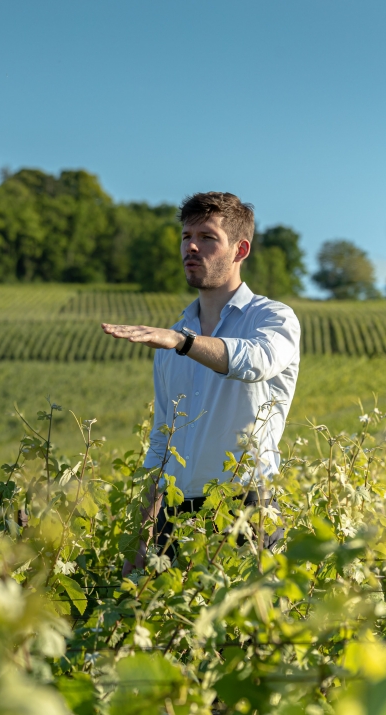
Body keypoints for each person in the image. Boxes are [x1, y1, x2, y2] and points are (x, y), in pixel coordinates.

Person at [102, 192, 300, 568]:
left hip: (247, 508)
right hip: (174, 516)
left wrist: (183, 342)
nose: (191, 246)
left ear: (240, 250)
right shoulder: (171, 339)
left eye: (207, 237)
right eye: (185, 236)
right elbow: (163, 437)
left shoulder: (274, 318)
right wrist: (141, 531)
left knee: (242, 628)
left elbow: (257, 361)